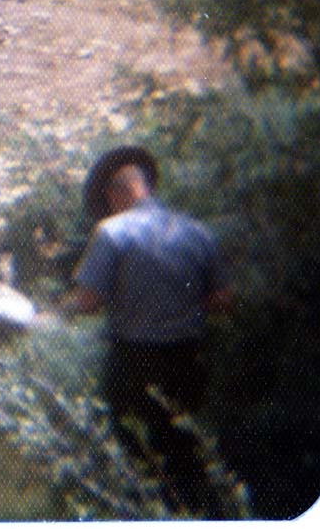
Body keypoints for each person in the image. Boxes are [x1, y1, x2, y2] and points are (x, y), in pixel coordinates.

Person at [72, 145, 233, 514]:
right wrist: (182, 305)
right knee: (185, 452)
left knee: (136, 455)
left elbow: (86, 302)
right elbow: (223, 300)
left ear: (116, 195)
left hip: (136, 362)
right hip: (189, 359)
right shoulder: (196, 231)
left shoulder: (112, 232)